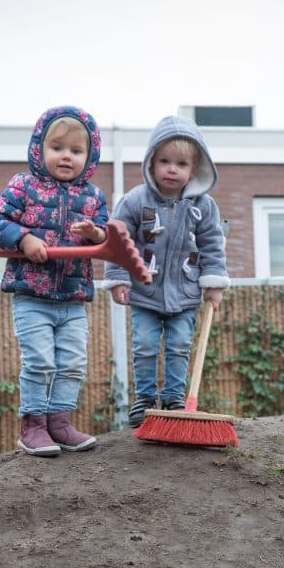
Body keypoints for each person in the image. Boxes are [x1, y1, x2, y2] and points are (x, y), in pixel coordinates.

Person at [0, 105, 108, 456]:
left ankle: (60, 424)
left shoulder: (94, 197)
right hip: (32, 296)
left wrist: (94, 231)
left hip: (72, 299)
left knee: (72, 363)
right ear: (39, 149)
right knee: (39, 361)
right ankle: (33, 427)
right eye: (57, 148)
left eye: (76, 150)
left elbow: (105, 237)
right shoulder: (23, 186)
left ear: (90, 155)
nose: (66, 156)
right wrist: (23, 239)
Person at [104, 115, 230, 427]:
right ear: (151, 162)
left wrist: (213, 283)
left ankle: (174, 397)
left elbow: (213, 244)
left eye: (181, 164)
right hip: (145, 291)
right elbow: (116, 240)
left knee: (178, 346)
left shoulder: (204, 206)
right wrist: (118, 277)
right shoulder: (134, 201)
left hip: (185, 292)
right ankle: (145, 398)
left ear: (194, 169)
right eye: (164, 161)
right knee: (145, 344)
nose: (172, 169)